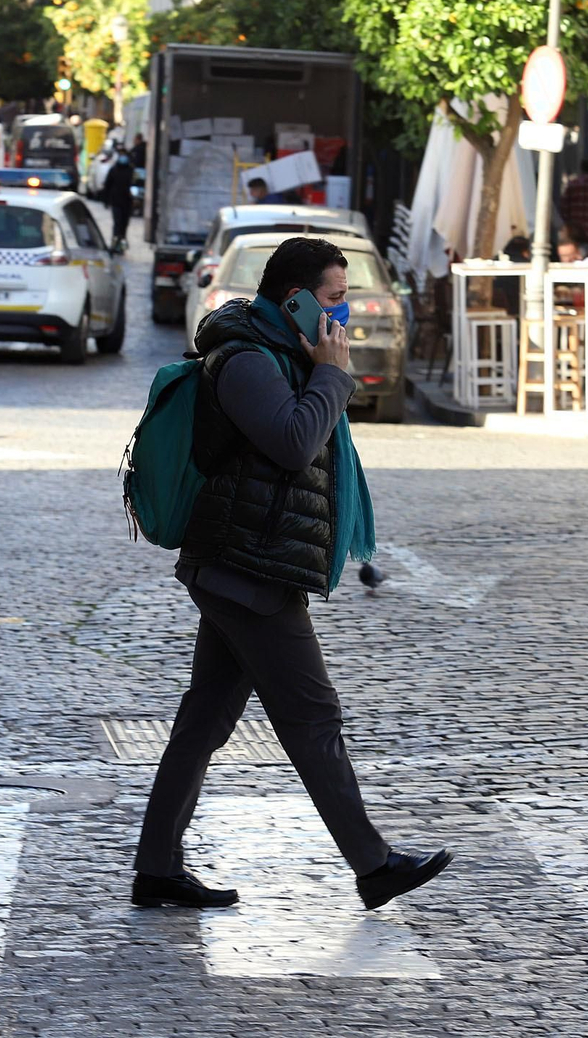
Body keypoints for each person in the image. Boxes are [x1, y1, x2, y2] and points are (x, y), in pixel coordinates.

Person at [133, 236, 453, 912]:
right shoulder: (248, 358)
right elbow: (293, 442)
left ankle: (156, 867)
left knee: (205, 719)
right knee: (312, 716)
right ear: (296, 299)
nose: (344, 313)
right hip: (248, 567)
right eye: (335, 299)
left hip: (249, 561)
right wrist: (333, 375)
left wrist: (320, 369)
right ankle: (373, 865)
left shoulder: (280, 351)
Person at [102, 150, 135, 247]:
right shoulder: (113, 170)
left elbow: (135, 184)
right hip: (116, 201)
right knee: (117, 222)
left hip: (127, 201)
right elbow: (107, 185)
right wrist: (106, 200)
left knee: (124, 224)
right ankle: (115, 242)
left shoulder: (131, 170)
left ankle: (122, 242)